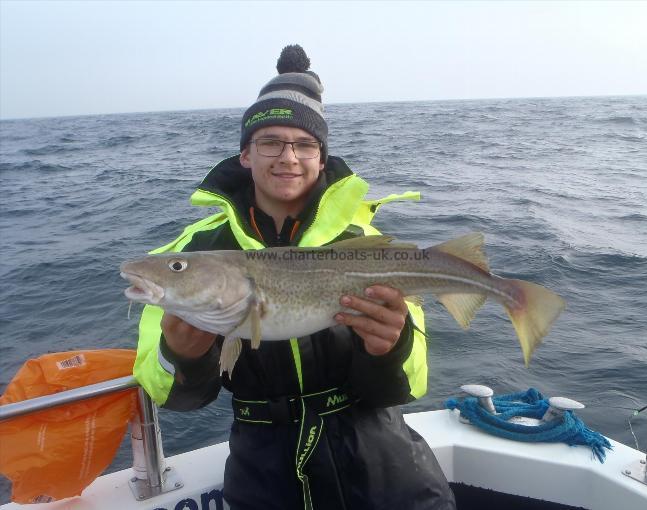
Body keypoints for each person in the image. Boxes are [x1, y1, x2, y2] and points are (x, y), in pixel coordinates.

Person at [133, 45, 456, 510]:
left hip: (385, 473)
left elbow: (409, 384)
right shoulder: (189, 256)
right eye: (270, 142)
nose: (288, 157)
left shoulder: (366, 245)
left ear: (322, 158)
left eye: (304, 145)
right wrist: (182, 356)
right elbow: (171, 395)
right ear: (245, 153)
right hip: (264, 479)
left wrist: (390, 347)